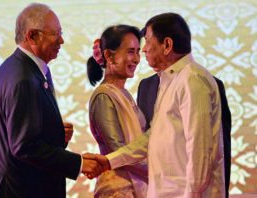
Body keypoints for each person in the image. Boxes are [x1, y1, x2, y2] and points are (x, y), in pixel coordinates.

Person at [0, 3, 102, 198]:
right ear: (32, 36)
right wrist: (79, 163)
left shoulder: (19, 67)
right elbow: (24, 146)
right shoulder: (23, 78)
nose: (62, 40)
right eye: (55, 34)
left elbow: (19, 130)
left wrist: (54, 132)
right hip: (16, 190)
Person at [94, 12, 226, 197]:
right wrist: (109, 161)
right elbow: (152, 138)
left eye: (147, 42)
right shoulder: (171, 80)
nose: (144, 50)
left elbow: (200, 154)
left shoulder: (192, 79)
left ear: (167, 45)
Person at [137, 74, 231, 197]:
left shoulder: (206, 82)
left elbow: (222, 142)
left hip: (194, 187)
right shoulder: (146, 85)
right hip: (158, 187)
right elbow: (147, 138)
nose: (144, 53)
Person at [87, 25, 148, 198]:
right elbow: (117, 150)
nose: (136, 59)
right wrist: (160, 169)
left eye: (137, 52)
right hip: (118, 188)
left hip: (135, 182)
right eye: (130, 52)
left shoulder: (123, 93)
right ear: (109, 56)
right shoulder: (104, 96)